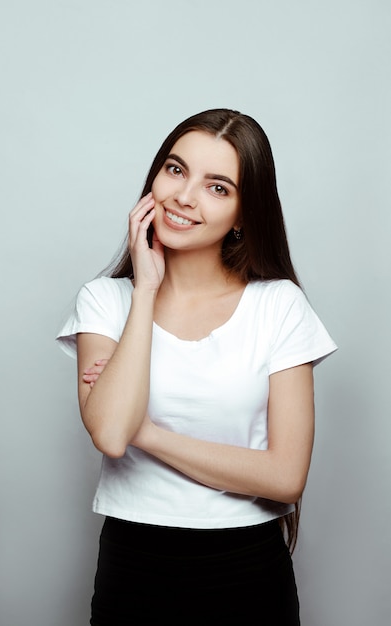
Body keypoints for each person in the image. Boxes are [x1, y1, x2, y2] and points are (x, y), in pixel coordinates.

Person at [56, 108, 337, 625]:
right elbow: (112, 436)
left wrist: (151, 433)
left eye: (218, 187)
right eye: (176, 170)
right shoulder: (104, 301)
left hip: (248, 571)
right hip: (132, 566)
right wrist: (145, 289)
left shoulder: (279, 306)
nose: (184, 197)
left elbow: (285, 476)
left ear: (245, 213)